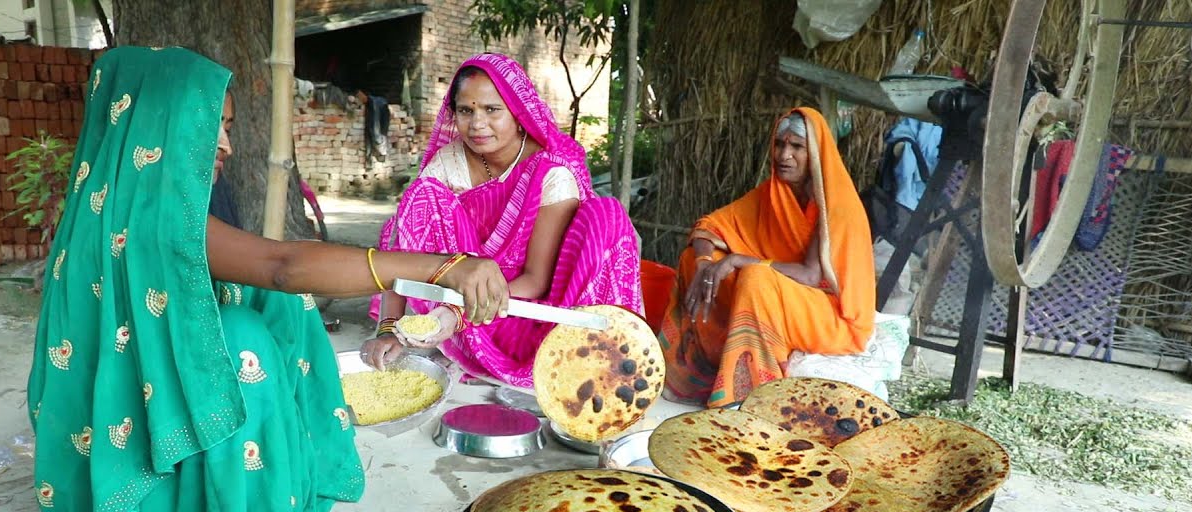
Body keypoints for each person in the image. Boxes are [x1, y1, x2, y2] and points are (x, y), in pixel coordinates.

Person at [27, 46, 509, 512]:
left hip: (131, 410)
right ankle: (232, 508)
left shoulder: (118, 199)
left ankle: (251, 462)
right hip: (130, 453)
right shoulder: (150, 215)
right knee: (244, 336)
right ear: (160, 124)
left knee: (271, 304)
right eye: (213, 126)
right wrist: (444, 266)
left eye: (228, 126)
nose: (227, 146)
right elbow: (282, 266)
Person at [361, 53, 643, 388]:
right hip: (458, 297)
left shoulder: (550, 173)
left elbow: (537, 281)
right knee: (417, 200)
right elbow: (402, 251)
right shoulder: (449, 162)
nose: (477, 123)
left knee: (606, 216)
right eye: (466, 110)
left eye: (492, 110)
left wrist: (459, 314)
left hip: (520, 310)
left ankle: (596, 352)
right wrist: (389, 327)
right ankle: (453, 337)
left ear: (518, 113)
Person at [659, 108, 877, 407]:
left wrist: (738, 261)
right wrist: (704, 263)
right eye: (779, 144)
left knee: (756, 277)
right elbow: (709, 227)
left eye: (797, 147)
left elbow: (812, 276)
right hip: (785, 296)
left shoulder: (835, 205)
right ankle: (700, 370)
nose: (784, 155)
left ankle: (748, 392)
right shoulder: (774, 194)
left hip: (832, 313)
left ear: (815, 153)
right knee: (693, 261)